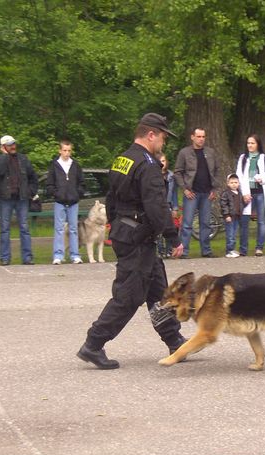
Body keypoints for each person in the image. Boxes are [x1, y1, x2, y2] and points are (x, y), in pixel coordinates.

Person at [76, 113, 186, 369]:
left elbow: (111, 198)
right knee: (129, 295)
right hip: (137, 237)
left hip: (128, 232)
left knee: (159, 290)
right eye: (162, 137)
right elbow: (157, 206)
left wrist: (114, 224)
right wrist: (172, 236)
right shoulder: (147, 164)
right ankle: (94, 344)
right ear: (150, 134)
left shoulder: (122, 159)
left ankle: (174, 339)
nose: (163, 143)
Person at [0, 135, 38, 265]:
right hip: (5, 199)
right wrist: (4, 156)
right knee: (5, 228)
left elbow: (33, 177)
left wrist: (30, 191)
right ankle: (5, 257)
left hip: (22, 198)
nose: (13, 146)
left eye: (13, 144)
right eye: (10, 145)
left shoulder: (23, 159)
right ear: (3, 147)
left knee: (24, 227)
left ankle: (27, 257)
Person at [174, 128, 220, 258]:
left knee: (205, 223)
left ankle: (206, 250)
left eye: (203, 136)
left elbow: (216, 170)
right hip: (191, 193)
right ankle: (184, 251)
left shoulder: (210, 152)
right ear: (192, 137)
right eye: (198, 136)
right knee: (187, 223)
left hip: (207, 193)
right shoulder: (185, 153)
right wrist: (185, 188)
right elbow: (178, 172)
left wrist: (214, 189)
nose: (201, 139)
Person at [235, 134, 265, 256]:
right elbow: (239, 176)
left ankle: (259, 247)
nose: (250, 145)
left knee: (261, 221)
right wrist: (244, 193)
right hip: (247, 194)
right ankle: (243, 249)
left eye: (252, 143)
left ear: (258, 144)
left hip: (260, 193)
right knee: (244, 222)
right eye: (248, 143)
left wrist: (262, 178)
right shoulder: (243, 158)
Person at [46, 140, 85, 265]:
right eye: (64, 150)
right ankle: (58, 255)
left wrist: (78, 193)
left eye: (69, 150)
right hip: (60, 201)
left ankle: (75, 255)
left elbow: (81, 182)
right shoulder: (54, 165)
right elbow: (50, 183)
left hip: (73, 201)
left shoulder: (75, 165)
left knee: (73, 228)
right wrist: (56, 194)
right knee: (59, 228)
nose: (67, 153)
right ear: (60, 150)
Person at [156, 153, 179, 258]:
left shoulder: (171, 176)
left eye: (164, 161)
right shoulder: (153, 174)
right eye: (160, 161)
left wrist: (175, 208)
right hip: (156, 204)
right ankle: (160, 251)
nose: (162, 163)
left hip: (168, 203)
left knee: (170, 227)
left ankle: (170, 250)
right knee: (159, 230)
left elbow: (174, 192)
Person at [219, 173, 244, 258]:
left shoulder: (239, 193)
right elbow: (223, 205)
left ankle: (232, 249)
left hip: (237, 216)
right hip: (229, 217)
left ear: (238, 183)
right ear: (228, 183)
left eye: (236, 182)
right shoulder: (226, 193)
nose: (234, 184)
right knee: (230, 235)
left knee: (234, 234)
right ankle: (229, 250)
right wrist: (226, 215)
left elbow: (241, 204)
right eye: (232, 182)